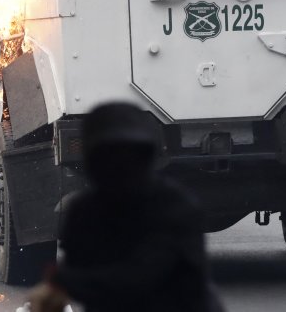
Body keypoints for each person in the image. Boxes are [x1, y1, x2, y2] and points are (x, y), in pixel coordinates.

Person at [26, 102, 223, 312]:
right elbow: (79, 263)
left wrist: (65, 280)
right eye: (109, 159)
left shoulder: (173, 207)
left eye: (125, 158)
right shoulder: (84, 210)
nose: (117, 168)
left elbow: (142, 277)